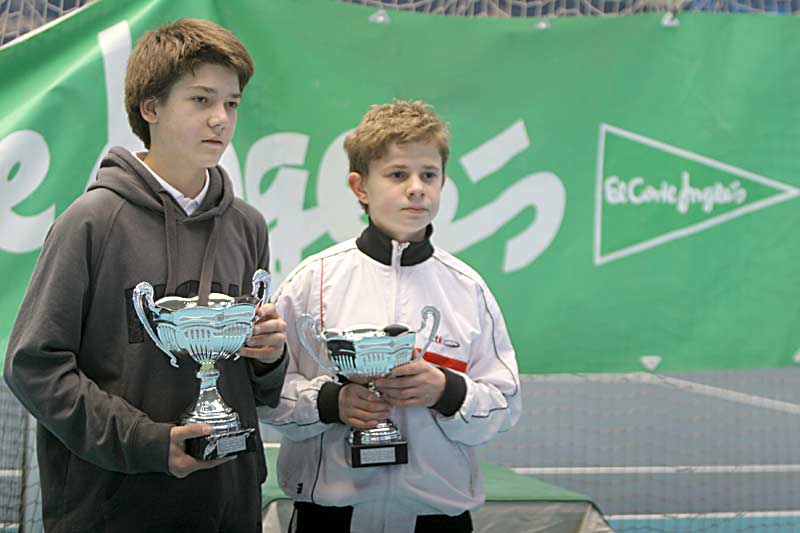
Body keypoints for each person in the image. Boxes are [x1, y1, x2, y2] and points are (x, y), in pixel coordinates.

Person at [4, 18, 288, 532]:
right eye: (201, 100)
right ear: (150, 107)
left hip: (229, 505)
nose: (221, 119)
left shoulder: (247, 226)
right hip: (114, 508)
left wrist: (268, 357)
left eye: (232, 102)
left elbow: (259, 387)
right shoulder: (90, 222)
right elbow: (34, 366)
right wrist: (146, 442)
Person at [260, 100, 521, 533]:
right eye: (398, 174)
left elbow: (505, 404)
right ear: (360, 187)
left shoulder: (467, 289)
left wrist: (447, 389)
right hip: (329, 518)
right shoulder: (313, 281)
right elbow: (267, 395)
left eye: (429, 174)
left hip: (436, 520)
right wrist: (331, 403)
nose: (416, 188)